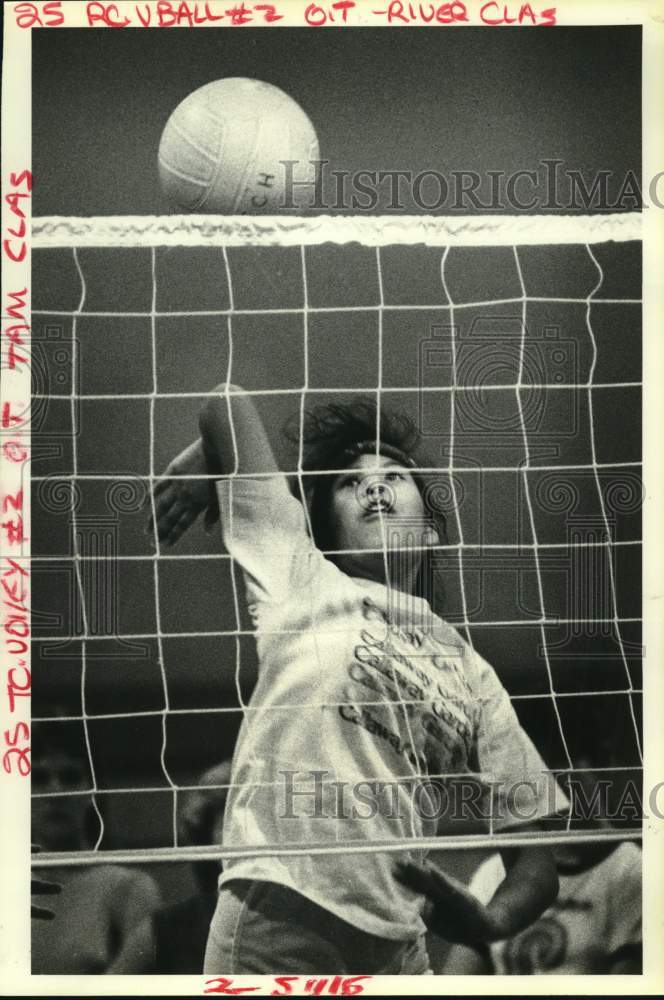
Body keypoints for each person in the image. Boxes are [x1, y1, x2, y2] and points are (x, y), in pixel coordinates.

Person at [151, 387, 568, 975]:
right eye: (351, 483)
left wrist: (491, 922)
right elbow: (227, 401)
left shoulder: (473, 672)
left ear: (429, 533)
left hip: (400, 947)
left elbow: (536, 862)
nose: (374, 486)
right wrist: (210, 458)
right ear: (325, 533)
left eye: (395, 476)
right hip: (279, 913)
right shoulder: (301, 574)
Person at [444, 765, 642, 975]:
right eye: (550, 775)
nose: (560, 792)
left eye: (572, 774)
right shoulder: (493, 871)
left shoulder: (630, 868)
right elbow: (457, 977)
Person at [31, 729, 162, 974]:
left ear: (91, 790)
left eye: (69, 777)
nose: (56, 792)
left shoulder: (129, 887)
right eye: (38, 778)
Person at [112, 761, 231, 973]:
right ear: (207, 831)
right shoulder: (168, 929)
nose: (246, 831)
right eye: (229, 816)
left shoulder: (301, 920)